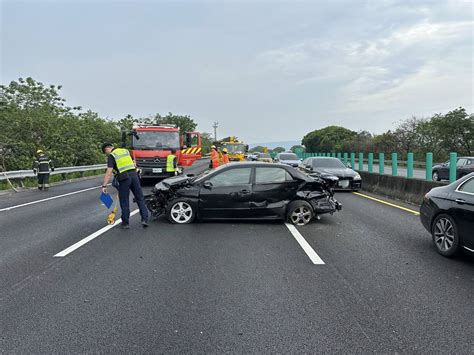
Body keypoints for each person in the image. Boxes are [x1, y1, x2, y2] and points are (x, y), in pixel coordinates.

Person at [101, 143, 149, 229]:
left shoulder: (112, 155)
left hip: (124, 178)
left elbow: (109, 172)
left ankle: (125, 223)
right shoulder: (125, 151)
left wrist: (104, 186)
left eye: (106, 152)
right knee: (140, 198)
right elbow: (134, 164)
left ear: (107, 148)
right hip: (134, 176)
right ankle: (144, 219)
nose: (107, 154)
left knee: (124, 200)